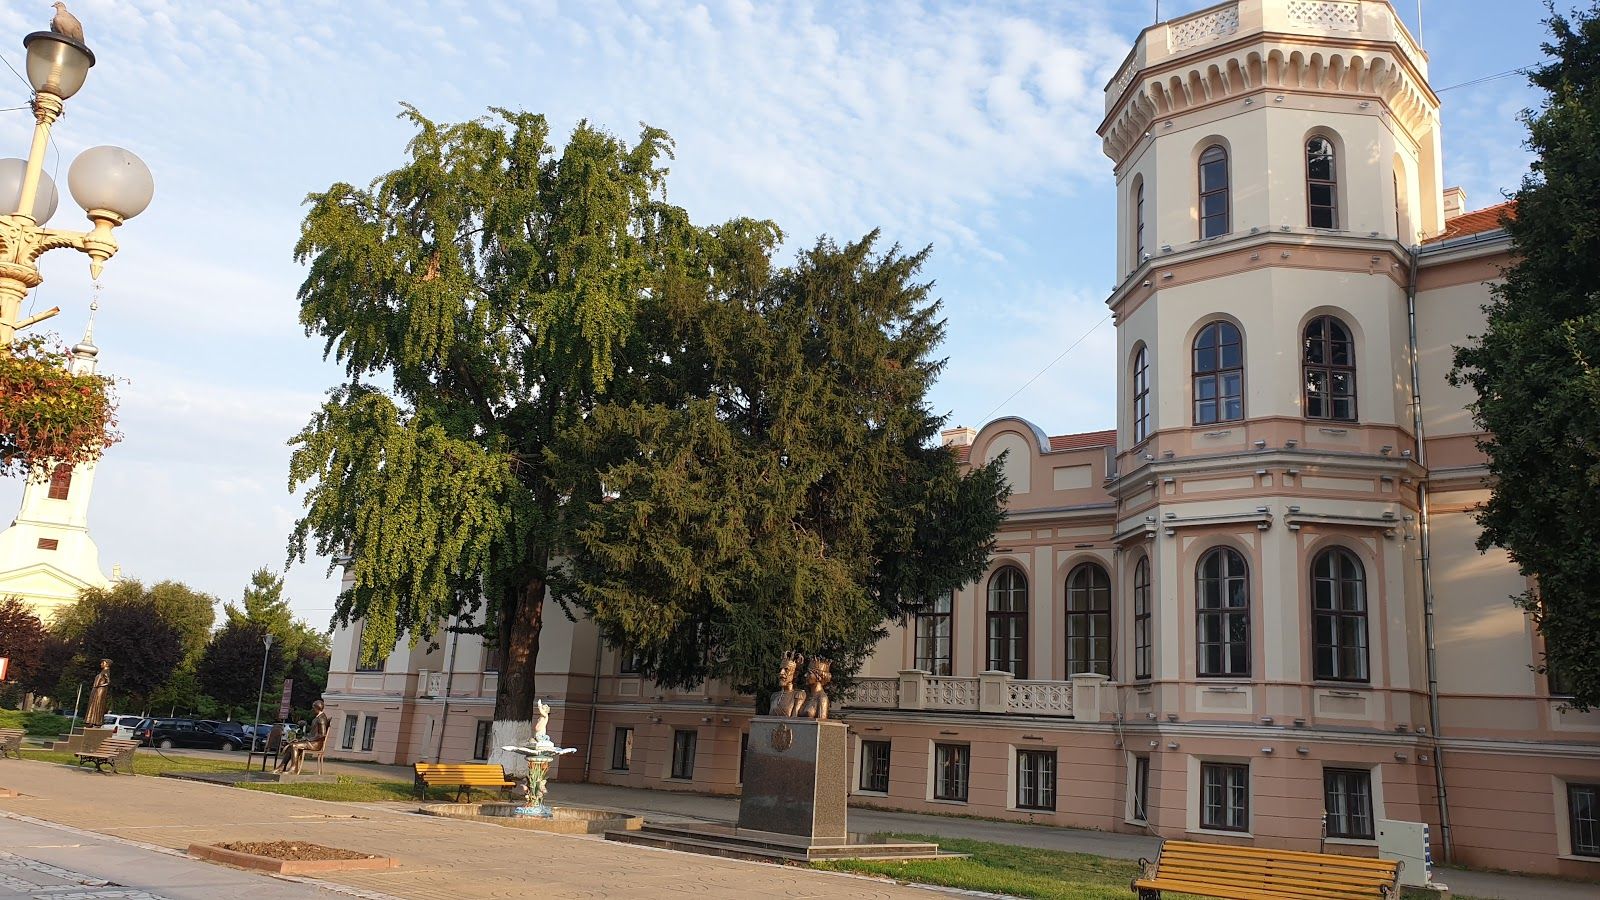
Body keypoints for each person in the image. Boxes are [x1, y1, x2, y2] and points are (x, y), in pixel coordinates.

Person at [274, 699, 331, 775]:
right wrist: (301, 739)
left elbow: (322, 735)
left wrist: (307, 739)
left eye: (313, 708)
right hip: (311, 741)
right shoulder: (317, 718)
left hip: (315, 744)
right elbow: (312, 733)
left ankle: (294, 769)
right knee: (292, 744)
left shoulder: (321, 719)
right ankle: (282, 767)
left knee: (294, 746)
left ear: (317, 708)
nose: (312, 710)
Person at [83, 659, 112, 727]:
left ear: (107, 664)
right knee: (93, 704)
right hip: (96, 689)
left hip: (100, 690)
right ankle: (91, 721)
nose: (101, 664)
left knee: (97, 704)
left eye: (103, 663)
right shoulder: (103, 671)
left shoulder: (106, 671)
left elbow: (108, 682)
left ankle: (96, 721)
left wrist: (100, 685)